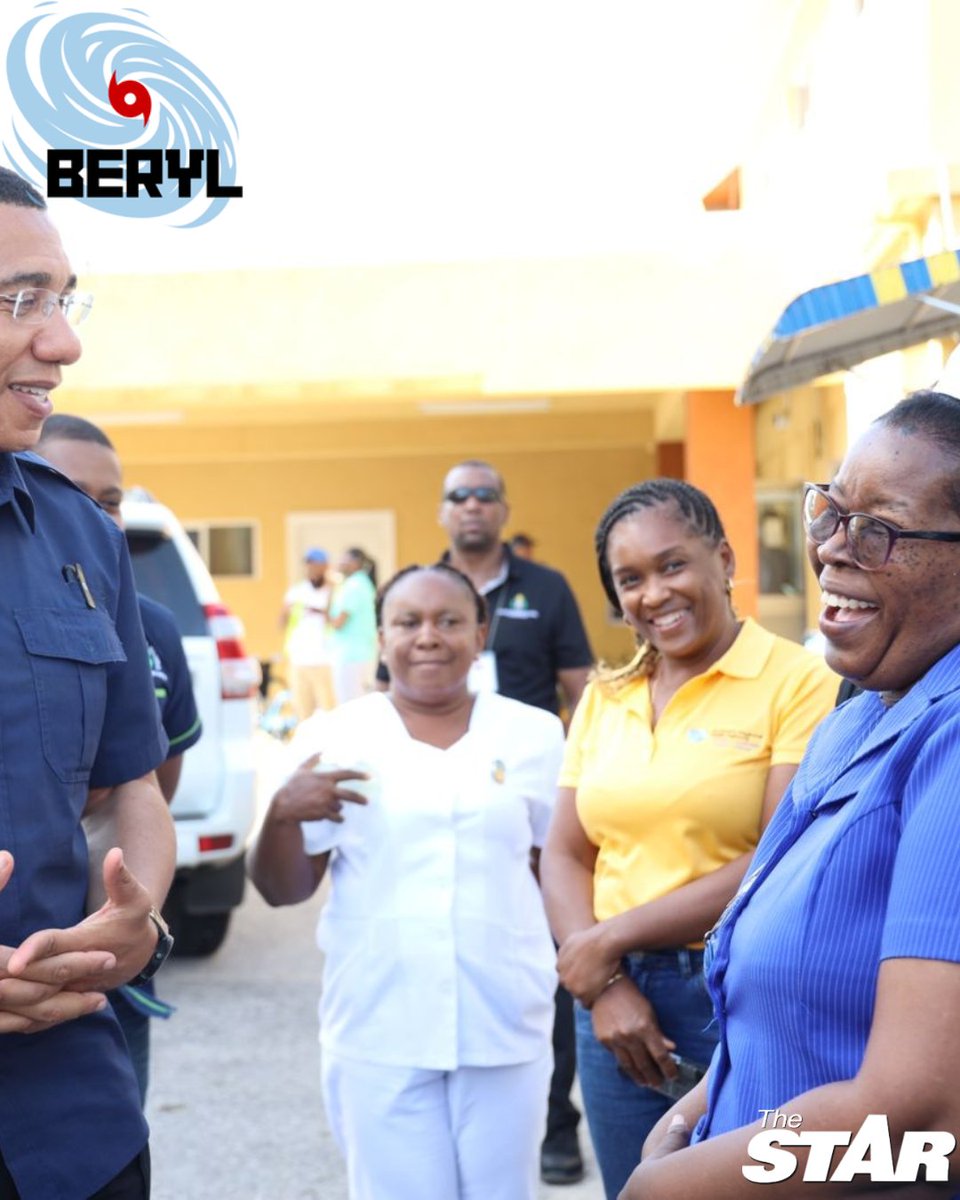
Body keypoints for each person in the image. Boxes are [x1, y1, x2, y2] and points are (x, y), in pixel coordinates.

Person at [620, 395, 960, 1198]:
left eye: (881, 527)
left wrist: (663, 1189)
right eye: (832, 511)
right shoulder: (859, 714)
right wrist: (697, 1110)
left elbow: (919, 1128)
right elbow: (792, 1014)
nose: (834, 550)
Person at [539, 478, 838, 1200]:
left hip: (734, 989)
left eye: (673, 565)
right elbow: (567, 851)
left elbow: (779, 856)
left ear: (725, 559)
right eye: (630, 579)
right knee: (633, 1191)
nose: (654, 594)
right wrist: (605, 984)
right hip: (612, 1007)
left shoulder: (798, 681)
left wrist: (602, 945)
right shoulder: (606, 697)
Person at [249, 563, 565, 1200]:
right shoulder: (335, 735)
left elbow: (555, 868)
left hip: (504, 1017)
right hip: (379, 1023)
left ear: (480, 635)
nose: (428, 637)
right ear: (381, 638)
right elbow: (283, 889)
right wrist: (281, 814)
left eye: (449, 621)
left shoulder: (535, 734)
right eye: (408, 622)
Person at [0, 167, 176, 1199]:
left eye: (64, 300)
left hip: (74, 1125)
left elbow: (134, 791)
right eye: (20, 300)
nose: (62, 342)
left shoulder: (80, 537)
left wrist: (137, 918)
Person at [37, 412, 203, 1106]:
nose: (101, 516)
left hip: (112, 954)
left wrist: (133, 921)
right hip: (22, 939)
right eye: (77, 494)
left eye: (112, 500)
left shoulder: (152, 626)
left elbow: (155, 778)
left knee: (112, 1137)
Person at [281, 548, 336, 720]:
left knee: (329, 711)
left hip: (325, 660)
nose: (313, 568)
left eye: (317, 564)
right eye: (310, 564)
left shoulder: (333, 591)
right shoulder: (296, 592)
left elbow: (337, 621)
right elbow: (282, 622)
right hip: (300, 660)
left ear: (326, 566)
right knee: (303, 713)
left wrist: (320, 611)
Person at [328, 546, 377, 703]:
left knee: (350, 706)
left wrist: (329, 590)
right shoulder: (363, 583)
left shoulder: (353, 586)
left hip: (350, 657)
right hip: (363, 653)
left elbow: (338, 622)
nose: (340, 563)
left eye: (344, 559)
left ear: (355, 563)